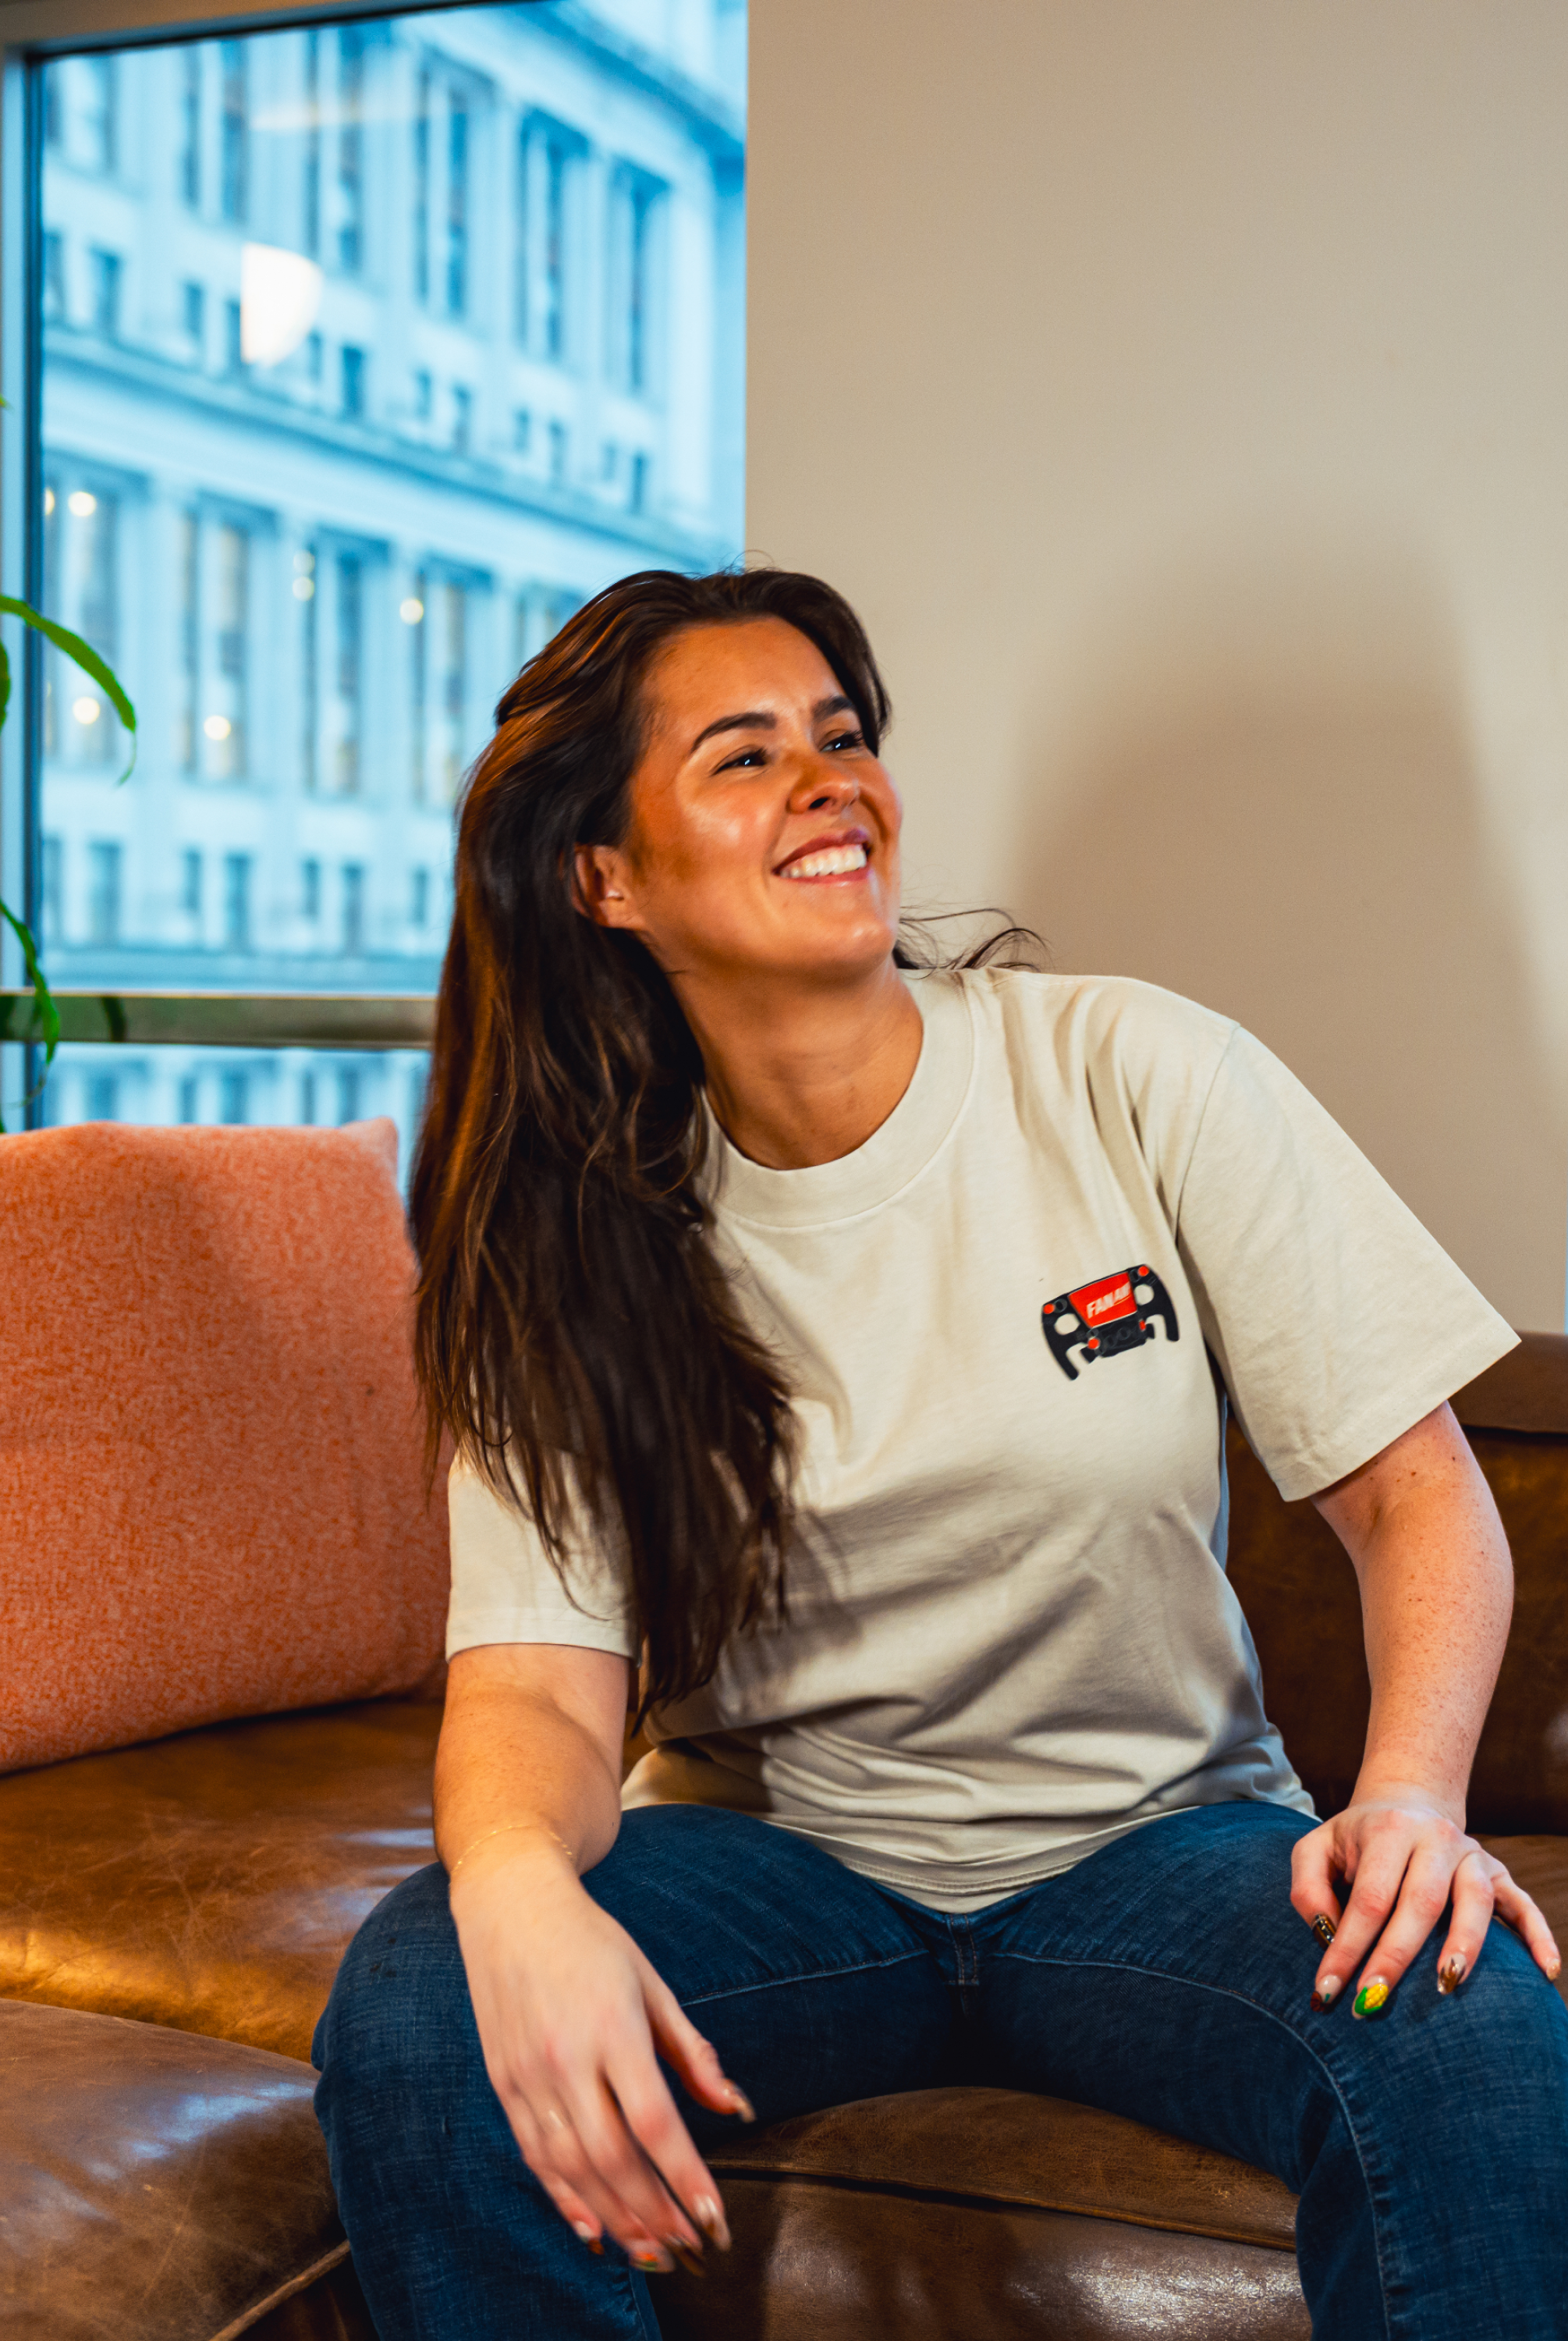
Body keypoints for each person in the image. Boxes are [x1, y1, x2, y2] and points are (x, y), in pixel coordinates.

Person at [314, 567, 1568, 2340]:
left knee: (1465, 2015)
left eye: (841, 735)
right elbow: (536, 1690)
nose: (829, 781)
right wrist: (511, 1891)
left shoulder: (1130, 1069)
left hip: (1163, 1852)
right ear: (606, 879)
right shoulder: (572, 1237)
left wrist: (1415, 1799)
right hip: (782, 1873)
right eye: (744, 756)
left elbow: (1414, 1493)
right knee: (421, 1999)